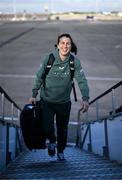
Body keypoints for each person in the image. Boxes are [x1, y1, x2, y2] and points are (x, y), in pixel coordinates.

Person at [29, 33, 89, 161]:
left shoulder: (74, 62)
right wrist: (34, 94)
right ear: (57, 45)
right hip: (47, 101)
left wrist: (85, 98)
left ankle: (60, 150)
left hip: (64, 103)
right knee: (47, 127)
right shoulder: (48, 58)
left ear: (71, 45)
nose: (65, 46)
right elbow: (39, 77)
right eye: (62, 43)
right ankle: (52, 141)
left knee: (63, 129)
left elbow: (82, 80)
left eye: (68, 43)